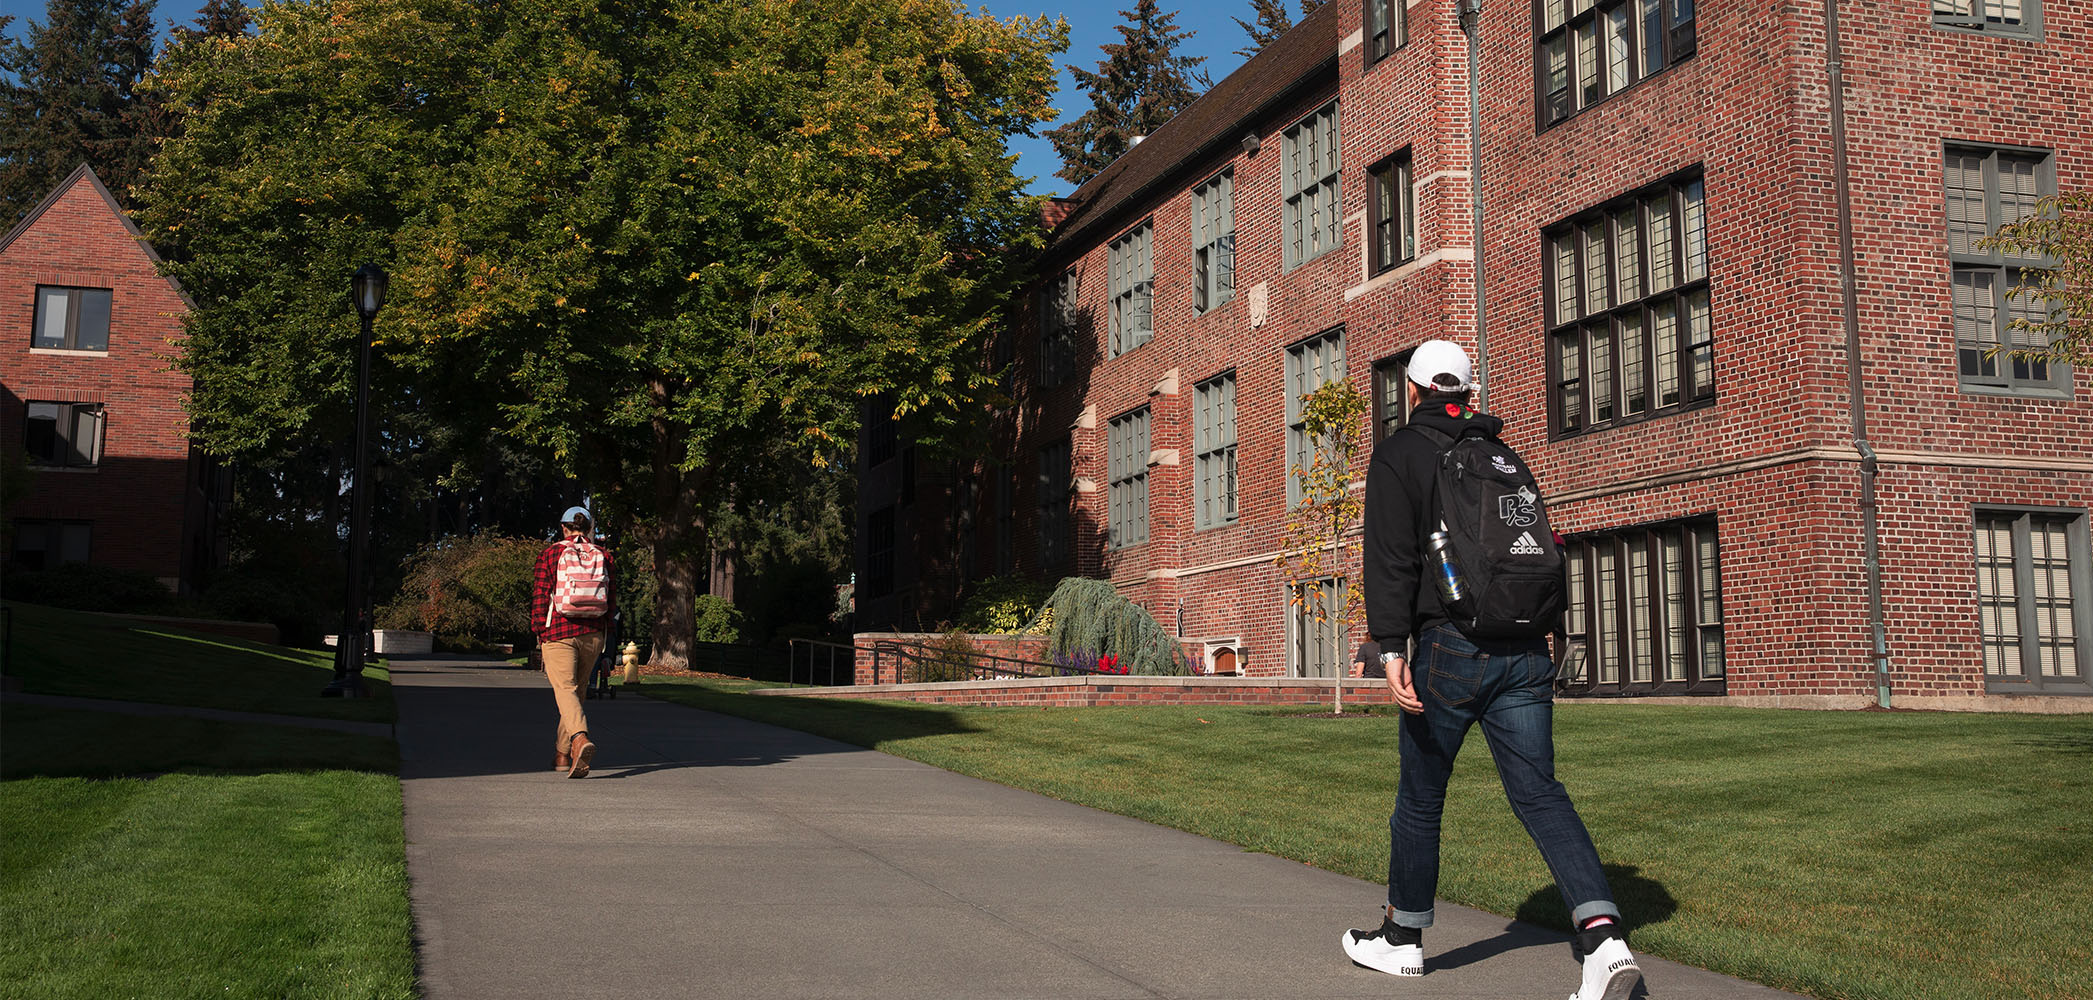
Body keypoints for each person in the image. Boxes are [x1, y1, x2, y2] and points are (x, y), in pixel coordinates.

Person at [1342, 340, 1641, 1000]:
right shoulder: (1504, 456)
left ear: (1413, 390)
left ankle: (1401, 941)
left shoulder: (1399, 454)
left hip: (1450, 648)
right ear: (1467, 395)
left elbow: (1390, 558)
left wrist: (1391, 648)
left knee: (1420, 801)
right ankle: (1603, 939)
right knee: (1540, 793)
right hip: (1525, 648)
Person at [530, 505, 615, 778]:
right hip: (593, 633)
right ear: (589, 528)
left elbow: (541, 597)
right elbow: (611, 600)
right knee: (576, 693)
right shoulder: (604, 556)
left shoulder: (550, 554)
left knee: (565, 690)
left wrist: (538, 631)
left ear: (564, 527)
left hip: (558, 631)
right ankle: (562, 755)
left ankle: (579, 739)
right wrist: (606, 633)